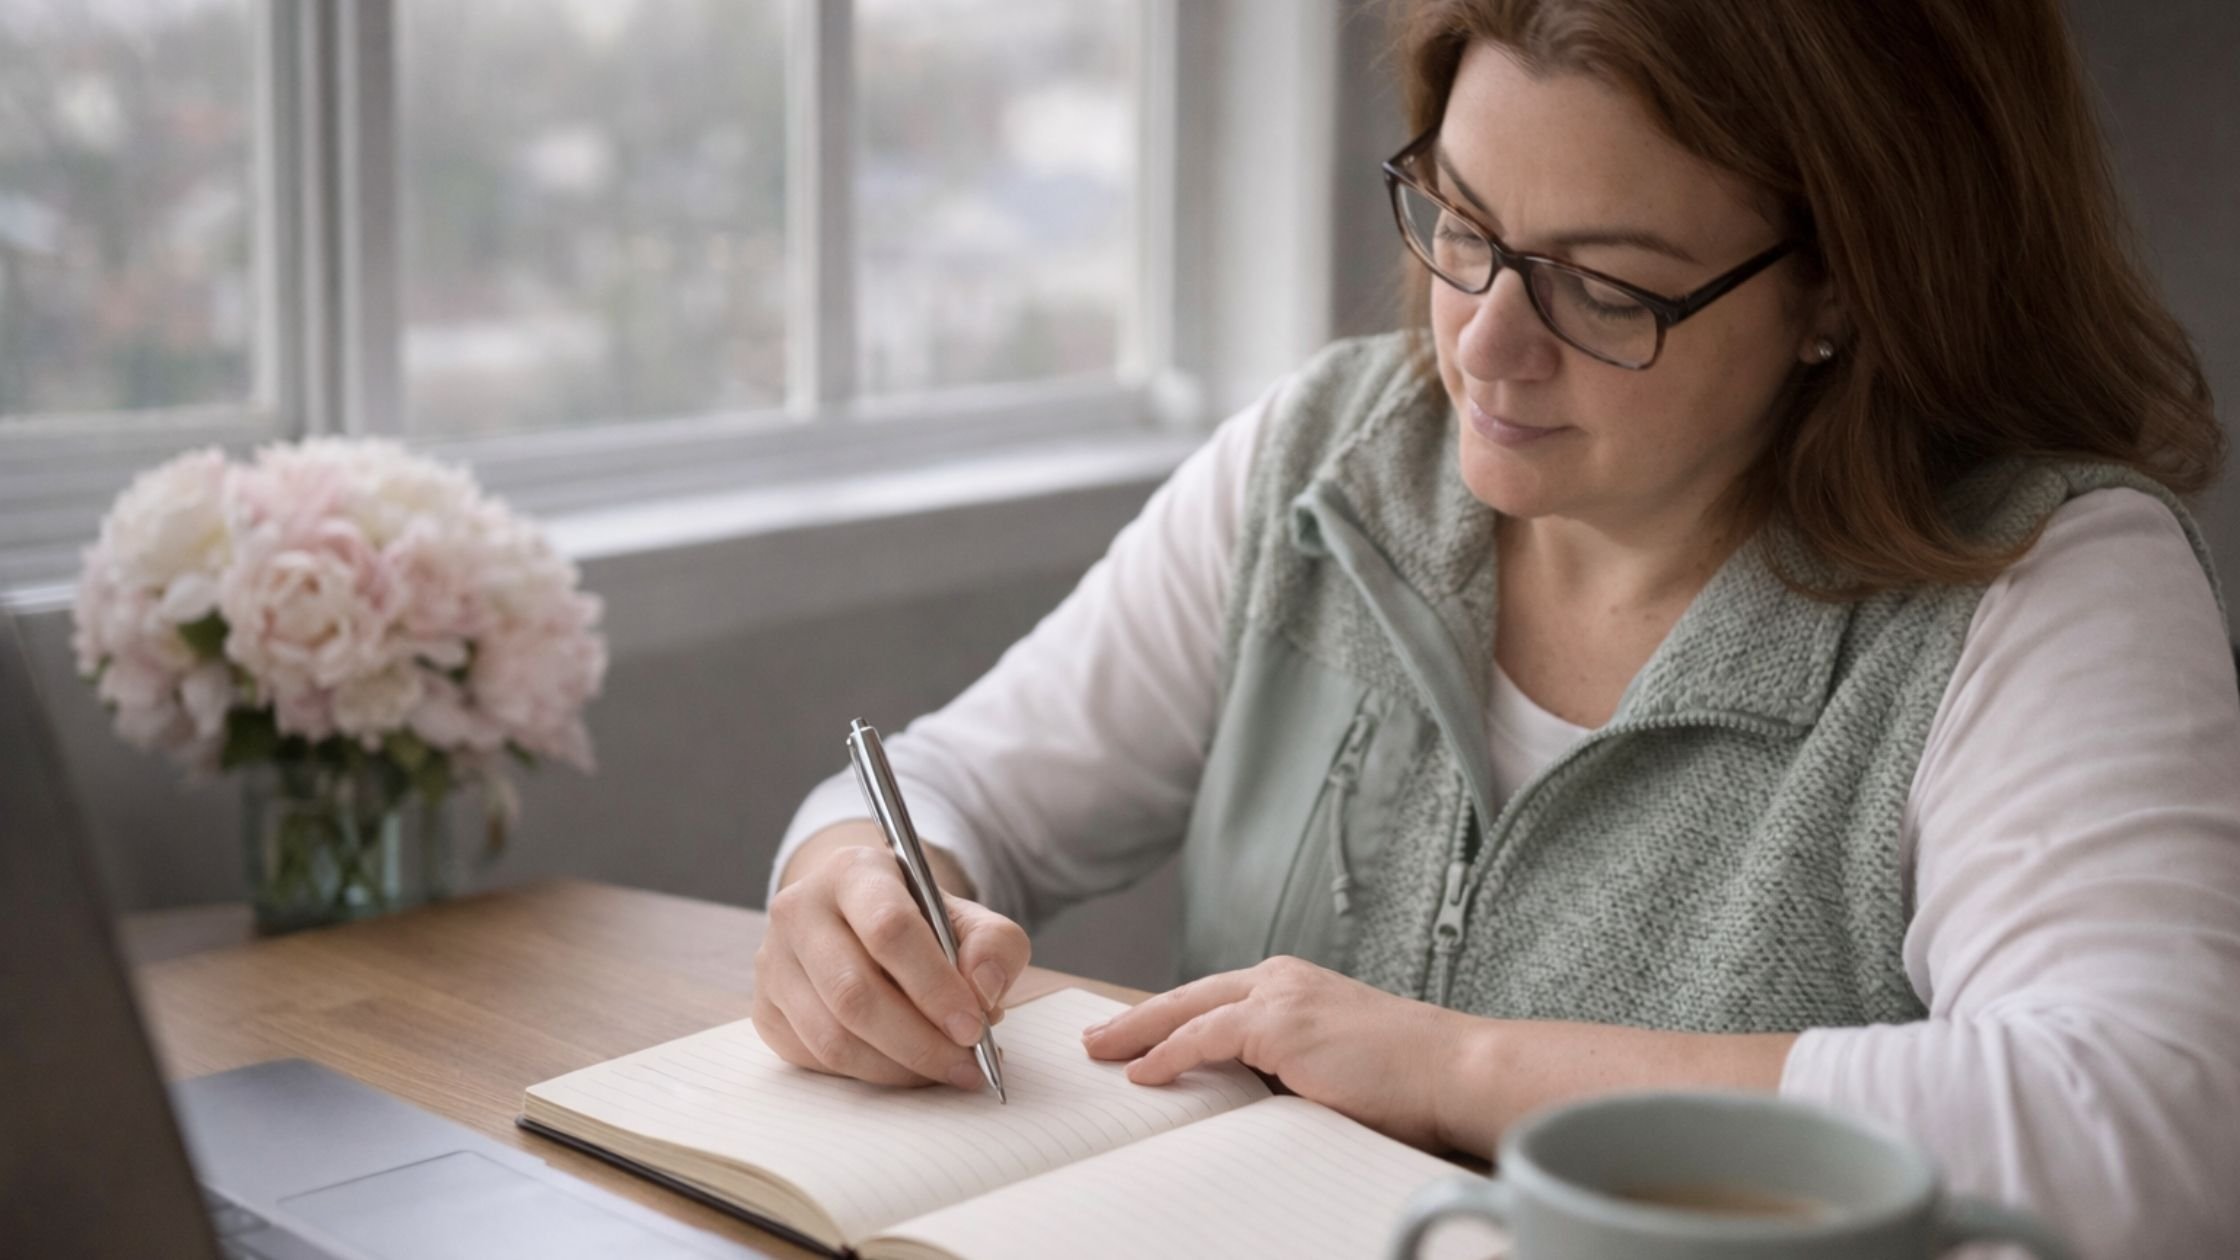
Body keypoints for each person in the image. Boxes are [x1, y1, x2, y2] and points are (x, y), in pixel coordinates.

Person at [754, 1, 2240, 1254]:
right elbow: (952, 787)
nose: (1484, 343)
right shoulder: (1329, 459)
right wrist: (851, 891)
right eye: (1461, 223)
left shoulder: (2044, 582)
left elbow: (2161, 1126)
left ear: (1847, 284)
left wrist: (1456, 1066)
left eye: (1604, 287)